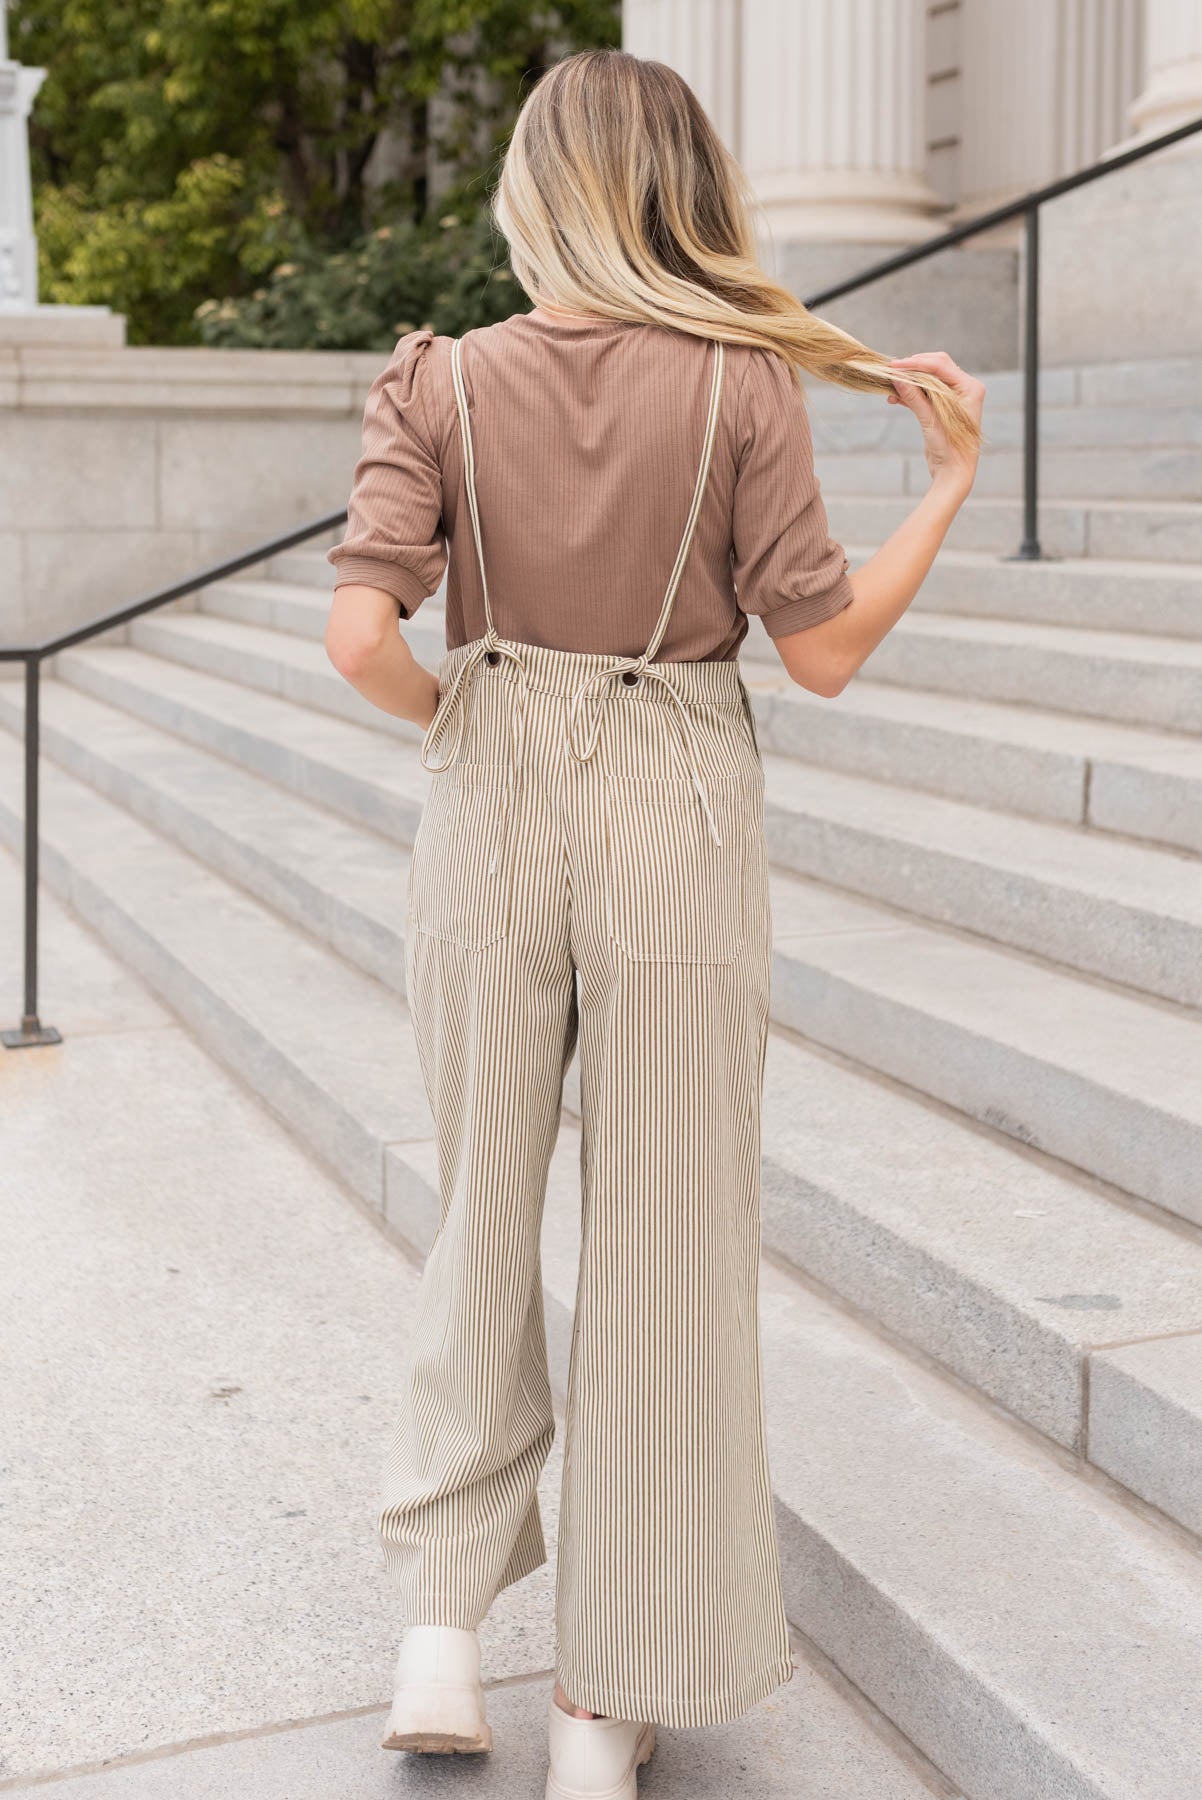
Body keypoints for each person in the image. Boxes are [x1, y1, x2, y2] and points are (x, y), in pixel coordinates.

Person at [324, 45, 984, 1800]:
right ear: (675, 191)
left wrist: (469, 721)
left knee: (477, 1205)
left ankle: (443, 1639)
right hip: (677, 795)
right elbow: (823, 652)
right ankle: (607, 1716)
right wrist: (944, 489)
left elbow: (362, 640)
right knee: (670, 1239)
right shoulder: (743, 389)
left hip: (491, 783)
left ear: (537, 191)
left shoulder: (441, 382)